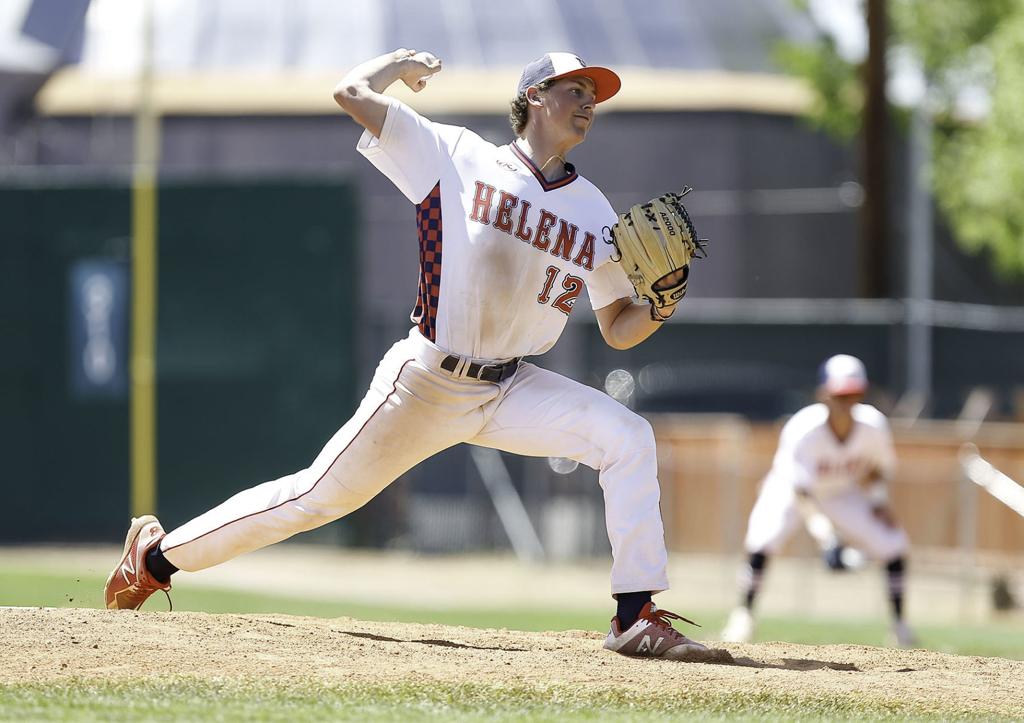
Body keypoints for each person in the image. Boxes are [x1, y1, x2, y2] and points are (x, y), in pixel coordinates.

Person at [104, 49, 708, 660]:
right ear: (533, 97)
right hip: (425, 381)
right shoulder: (456, 154)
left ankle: (634, 615)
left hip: (510, 388)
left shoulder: (595, 211)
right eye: (574, 88)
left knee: (626, 435)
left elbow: (616, 328)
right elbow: (349, 92)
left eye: (593, 95)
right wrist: (399, 65)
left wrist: (661, 306)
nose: (588, 103)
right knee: (315, 499)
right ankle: (155, 558)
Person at [720, 354, 916, 648]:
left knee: (894, 544)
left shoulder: (873, 425)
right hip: (789, 490)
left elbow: (877, 469)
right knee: (763, 540)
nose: (846, 402)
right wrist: (827, 538)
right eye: (839, 394)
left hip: (841, 492)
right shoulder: (803, 428)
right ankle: (743, 615)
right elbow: (801, 492)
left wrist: (877, 502)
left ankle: (899, 625)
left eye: (853, 394)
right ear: (823, 394)